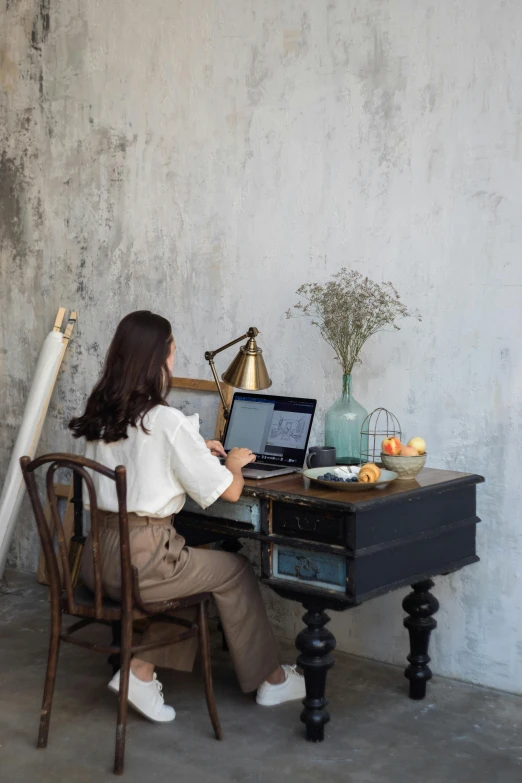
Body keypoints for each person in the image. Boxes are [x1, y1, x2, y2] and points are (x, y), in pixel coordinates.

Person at [69, 310, 305, 723]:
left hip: (94, 562)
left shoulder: (101, 416)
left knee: (193, 568)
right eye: (172, 350)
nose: (174, 359)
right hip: (143, 563)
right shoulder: (165, 422)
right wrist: (231, 462)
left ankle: (140, 671)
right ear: (159, 358)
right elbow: (230, 492)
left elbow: (145, 462)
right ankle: (272, 680)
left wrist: (197, 447)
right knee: (232, 570)